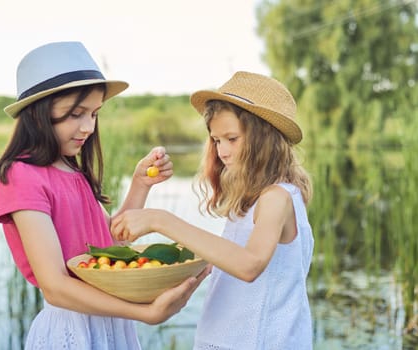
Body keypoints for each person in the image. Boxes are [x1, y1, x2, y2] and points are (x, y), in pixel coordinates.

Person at [0, 41, 209, 349]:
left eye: (94, 114)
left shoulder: (72, 171)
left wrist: (140, 185)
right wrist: (143, 312)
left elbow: (112, 246)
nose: (88, 127)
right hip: (72, 326)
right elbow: (55, 286)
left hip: (110, 322)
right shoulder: (21, 176)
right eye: (76, 113)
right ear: (38, 113)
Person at [111, 71, 314, 349]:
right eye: (217, 140)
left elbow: (249, 264)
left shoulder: (278, 197)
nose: (222, 151)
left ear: (264, 138)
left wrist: (161, 220)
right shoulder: (252, 198)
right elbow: (233, 257)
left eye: (232, 138)